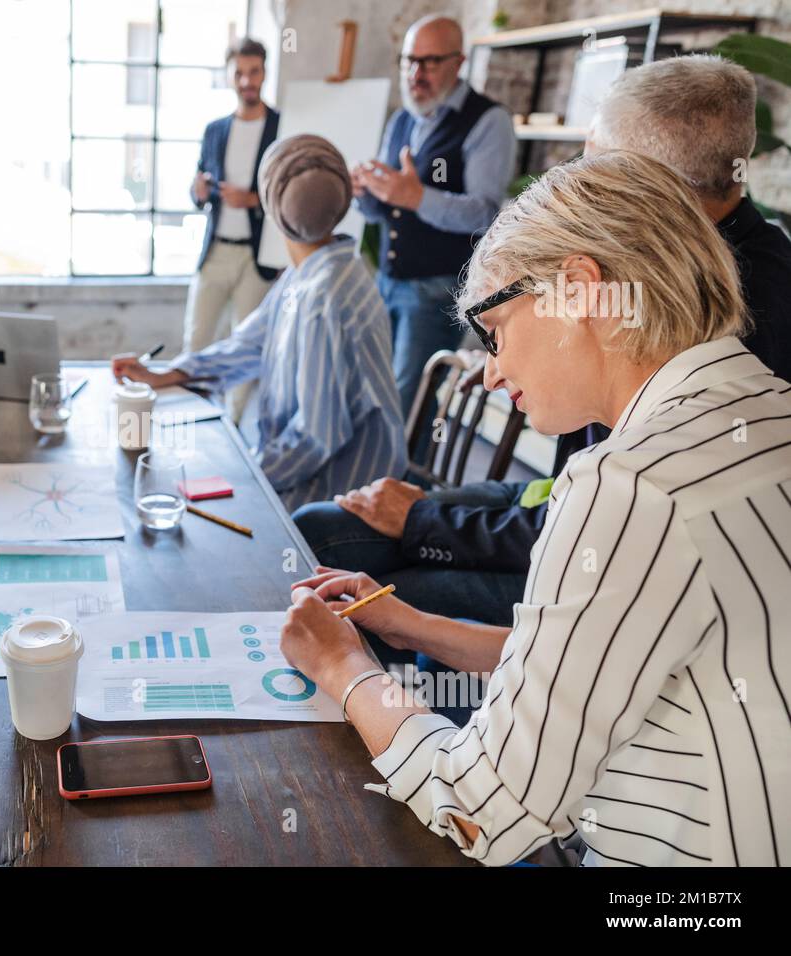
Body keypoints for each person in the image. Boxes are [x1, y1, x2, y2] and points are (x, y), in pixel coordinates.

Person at [280, 150, 791, 866]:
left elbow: (483, 810)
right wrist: (411, 624)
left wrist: (345, 669)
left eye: (495, 330)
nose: (491, 369)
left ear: (579, 289)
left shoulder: (630, 484)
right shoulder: (764, 412)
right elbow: (605, 658)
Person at [295, 54, 791, 630]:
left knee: (362, 593)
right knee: (328, 530)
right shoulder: (639, 266)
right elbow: (566, 487)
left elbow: (605, 526)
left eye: (594, 166)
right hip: (557, 502)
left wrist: (426, 526)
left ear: (651, 191)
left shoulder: (723, 306)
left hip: (595, 546)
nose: (574, 181)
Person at [113, 135, 405, 513]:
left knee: (190, 513)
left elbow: (317, 436)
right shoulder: (326, 264)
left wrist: (242, 473)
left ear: (270, 208)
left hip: (341, 500)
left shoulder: (322, 298)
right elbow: (249, 343)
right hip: (328, 476)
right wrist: (170, 373)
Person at [353, 14, 516, 418]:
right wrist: (365, 194)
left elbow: (482, 213)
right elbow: (384, 207)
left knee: (408, 405)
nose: (415, 73)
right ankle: (375, 481)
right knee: (374, 394)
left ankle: (404, 482)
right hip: (387, 280)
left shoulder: (488, 120)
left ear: (458, 62)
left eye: (428, 62)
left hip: (435, 288)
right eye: (409, 61)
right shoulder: (403, 119)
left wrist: (416, 196)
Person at [185, 37, 280, 359]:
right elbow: (199, 186)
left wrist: (253, 200)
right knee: (196, 341)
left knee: (245, 348)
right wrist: (198, 193)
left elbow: (291, 192)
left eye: (253, 72)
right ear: (229, 76)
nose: (246, 81)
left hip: (257, 257)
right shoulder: (215, 130)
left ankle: (234, 413)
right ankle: (195, 410)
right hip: (215, 251)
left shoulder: (281, 127)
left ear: (264, 73)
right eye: (239, 73)